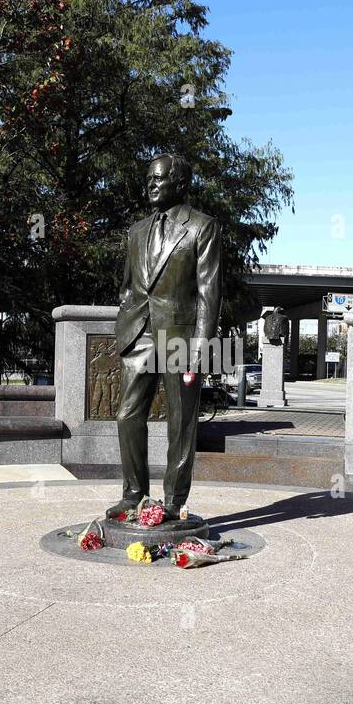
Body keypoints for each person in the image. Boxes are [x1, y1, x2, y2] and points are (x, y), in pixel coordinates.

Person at [107, 153, 222, 520]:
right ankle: (134, 493)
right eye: (149, 179)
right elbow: (128, 286)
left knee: (181, 423)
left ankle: (173, 502)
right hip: (138, 333)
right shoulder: (137, 230)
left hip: (180, 336)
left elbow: (209, 292)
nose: (151, 185)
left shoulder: (202, 227)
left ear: (180, 183)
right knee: (127, 414)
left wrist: (201, 348)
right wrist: (125, 318)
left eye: (158, 179)